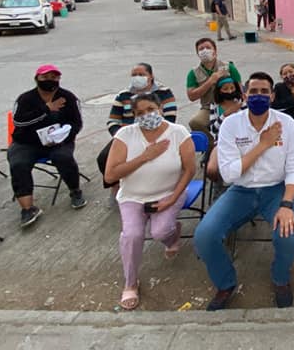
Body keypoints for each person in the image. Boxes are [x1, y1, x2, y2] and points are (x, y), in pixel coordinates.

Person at [192, 72, 294, 311]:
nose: (258, 96)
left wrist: (286, 204)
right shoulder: (231, 124)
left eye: (264, 92)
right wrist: (263, 144)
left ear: (272, 96)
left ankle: (280, 279)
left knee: (289, 236)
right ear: (244, 95)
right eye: (253, 91)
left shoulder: (287, 124)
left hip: (276, 190)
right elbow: (229, 174)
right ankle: (225, 283)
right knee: (205, 236)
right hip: (241, 191)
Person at [104, 93, 196, 310]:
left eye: (151, 110)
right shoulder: (125, 135)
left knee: (160, 232)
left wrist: (172, 199)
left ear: (160, 109)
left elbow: (190, 170)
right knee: (132, 235)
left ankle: (172, 236)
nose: (147, 115)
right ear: (134, 116)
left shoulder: (178, 132)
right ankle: (130, 283)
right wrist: (145, 156)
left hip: (168, 192)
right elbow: (110, 175)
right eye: (140, 113)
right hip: (132, 196)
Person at [8, 64, 86, 227]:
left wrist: (64, 136)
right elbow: (19, 122)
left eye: (54, 77)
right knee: (18, 163)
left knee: (63, 157)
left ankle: (75, 191)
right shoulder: (25, 99)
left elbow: (77, 123)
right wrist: (45, 109)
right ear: (37, 79)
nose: (50, 80)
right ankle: (28, 209)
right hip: (27, 142)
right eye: (45, 77)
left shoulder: (68, 97)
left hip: (58, 141)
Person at [97, 63, 177, 191]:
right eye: (134, 75)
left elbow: (171, 117)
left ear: (151, 76)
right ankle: (118, 185)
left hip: (156, 134)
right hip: (127, 135)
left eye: (141, 74)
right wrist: (121, 137)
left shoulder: (163, 93)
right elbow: (113, 121)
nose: (137, 77)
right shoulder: (123, 95)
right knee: (103, 157)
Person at [186, 37, 241, 135]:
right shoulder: (193, 73)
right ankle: (212, 143)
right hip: (208, 107)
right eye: (201, 49)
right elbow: (191, 96)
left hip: (230, 103)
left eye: (208, 48)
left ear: (215, 51)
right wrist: (210, 81)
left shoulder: (228, 67)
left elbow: (240, 88)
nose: (205, 51)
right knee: (195, 122)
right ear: (197, 53)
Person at [206, 77, 246, 181]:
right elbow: (213, 129)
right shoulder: (215, 105)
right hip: (221, 142)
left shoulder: (242, 103)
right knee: (211, 170)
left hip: (242, 141)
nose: (230, 91)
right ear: (219, 91)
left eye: (232, 88)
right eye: (225, 89)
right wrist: (226, 114)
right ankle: (218, 185)